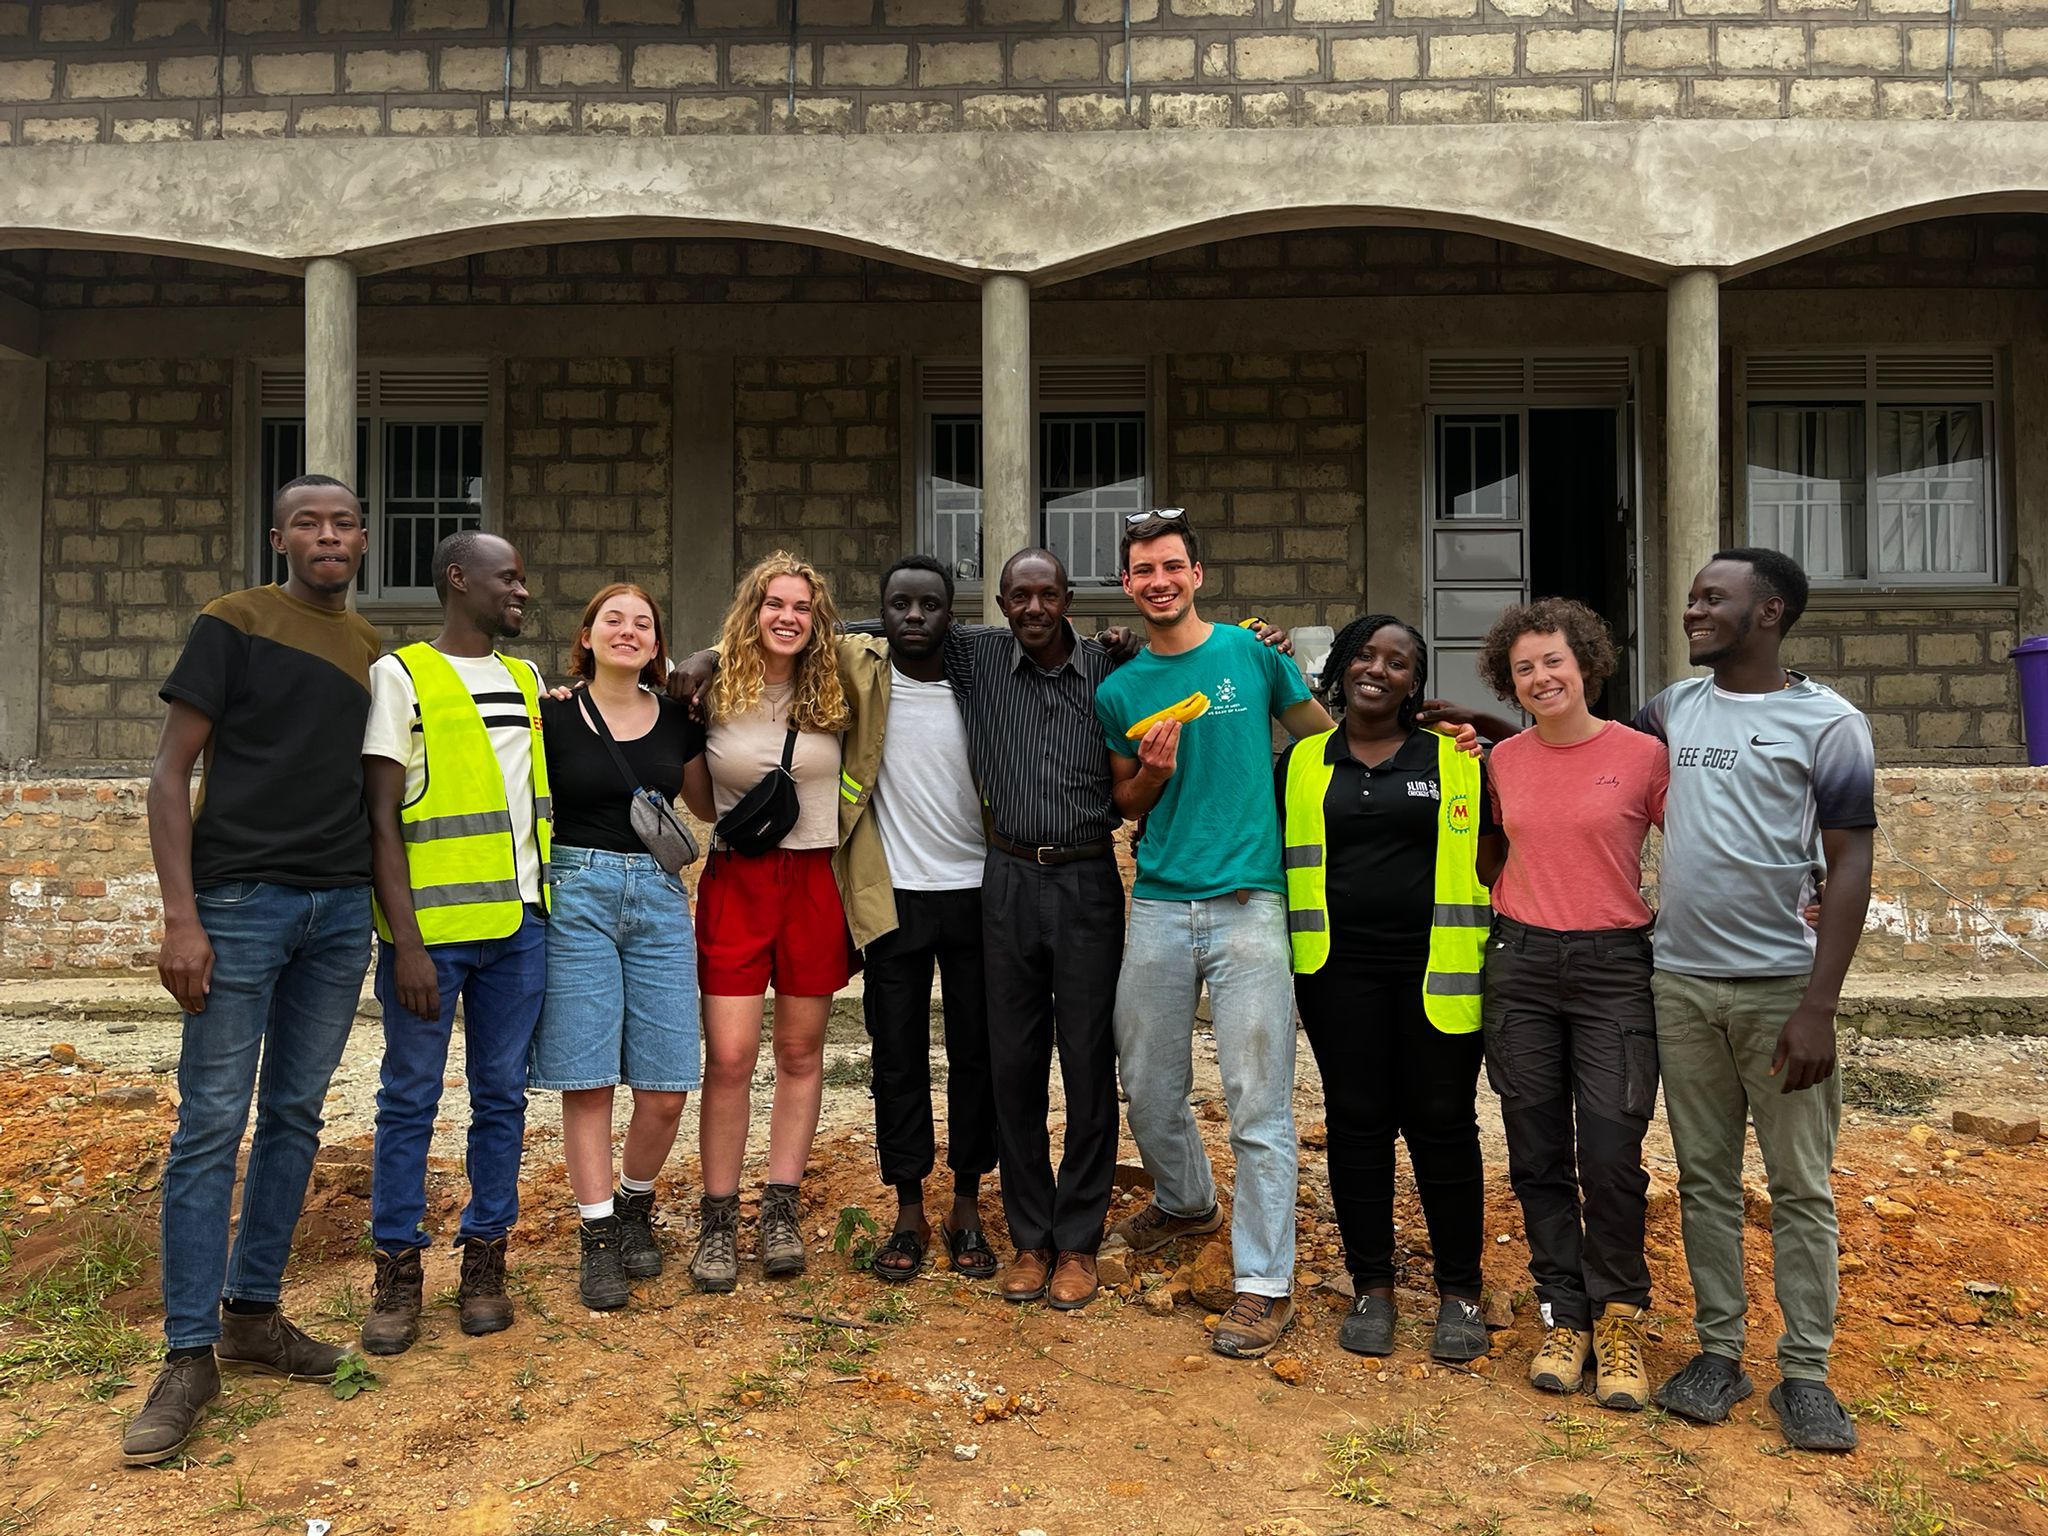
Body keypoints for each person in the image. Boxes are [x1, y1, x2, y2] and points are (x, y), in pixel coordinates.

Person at [125, 475, 380, 1467]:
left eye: (343, 522)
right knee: (210, 1124)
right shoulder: (232, 622)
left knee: (295, 1117)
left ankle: (253, 1316)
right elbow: (168, 772)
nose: (328, 535)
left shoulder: (373, 654)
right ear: (279, 538)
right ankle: (187, 1356)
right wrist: (180, 917)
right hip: (237, 905)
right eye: (308, 522)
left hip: (338, 913)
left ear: (364, 539)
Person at [1635, 549, 1875, 1453]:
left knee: (1800, 1186)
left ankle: (1805, 1373)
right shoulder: (1674, 708)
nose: (1693, 610)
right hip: (1681, 984)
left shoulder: (1830, 723)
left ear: (1768, 612)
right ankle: (1719, 1353)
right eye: (1693, 596)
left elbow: (1850, 860)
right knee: (1703, 1180)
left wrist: (1820, 1005)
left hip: (1782, 989)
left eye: (1714, 598)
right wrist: (1489, 731)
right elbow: (1593, 760)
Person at [1094, 510, 1334, 1359]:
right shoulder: (1120, 692)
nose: (1158, 581)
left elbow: (1324, 743)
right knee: (1147, 1085)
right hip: (1160, 903)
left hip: (1251, 902)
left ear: (1196, 574)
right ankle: (1187, 1202)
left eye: (1171, 566)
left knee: (1257, 1102)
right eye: (1142, 570)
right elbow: (1125, 802)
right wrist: (1154, 775)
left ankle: (1264, 1283)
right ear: (1127, 585)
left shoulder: (1250, 653)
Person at [1277, 614, 1504, 1364]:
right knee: (1357, 1122)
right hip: (1336, 972)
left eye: (1398, 662)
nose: (1378, 669)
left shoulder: (1455, 759)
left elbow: (1498, 854)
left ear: (1415, 684)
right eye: (1366, 655)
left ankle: (1459, 1291)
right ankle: (1371, 1286)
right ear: (1341, 666)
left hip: (1439, 969)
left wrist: (1485, 733)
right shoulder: (1300, 762)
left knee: (1443, 1122)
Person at [358, 531, 551, 1355]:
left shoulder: (526, 679)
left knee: (502, 1098)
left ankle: (485, 1260)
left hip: (519, 930)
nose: (522, 591)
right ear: (458, 579)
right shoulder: (401, 675)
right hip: (430, 940)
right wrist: (403, 943)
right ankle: (397, 1270)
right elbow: (380, 820)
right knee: (409, 1099)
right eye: (509, 577)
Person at [1474, 598, 1668, 1410]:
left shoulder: (1644, 756)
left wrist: (1797, 890)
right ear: (1508, 682)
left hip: (1613, 968)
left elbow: (1704, 844)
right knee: (1536, 1150)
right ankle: (1564, 1313)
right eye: (1523, 668)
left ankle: (1619, 1314)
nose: (1541, 677)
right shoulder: (1502, 762)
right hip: (1520, 963)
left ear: (1586, 662)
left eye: (1553, 660)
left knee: (1613, 1152)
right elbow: (1488, 855)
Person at [679, 550, 855, 1292]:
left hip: (815, 879)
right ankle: (718, 1218)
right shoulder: (710, 690)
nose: (788, 617)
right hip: (739, 881)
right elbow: (697, 800)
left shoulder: (838, 688)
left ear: (818, 620)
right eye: (774, 604)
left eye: (802, 607)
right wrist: (702, 659)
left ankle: (780, 1209)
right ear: (752, 611)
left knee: (801, 1052)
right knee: (729, 1056)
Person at [530, 584, 705, 1311]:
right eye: (613, 620)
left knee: (666, 1088)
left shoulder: (679, 720)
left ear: (658, 644)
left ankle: (635, 1202)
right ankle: (598, 1233)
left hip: (659, 898)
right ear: (587, 636)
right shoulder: (552, 715)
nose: (627, 631)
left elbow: (707, 803)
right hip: (577, 893)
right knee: (590, 1078)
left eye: (643, 624)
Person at [836, 556, 1000, 1285]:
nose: (913, 616)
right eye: (898, 604)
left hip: (980, 893)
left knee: (977, 1054)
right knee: (897, 1056)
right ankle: (909, 1206)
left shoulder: (981, 680)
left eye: (929, 605)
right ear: (880, 615)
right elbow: (786, 636)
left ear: (949, 614)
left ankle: (967, 1201)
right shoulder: (863, 675)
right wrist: (709, 655)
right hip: (893, 894)